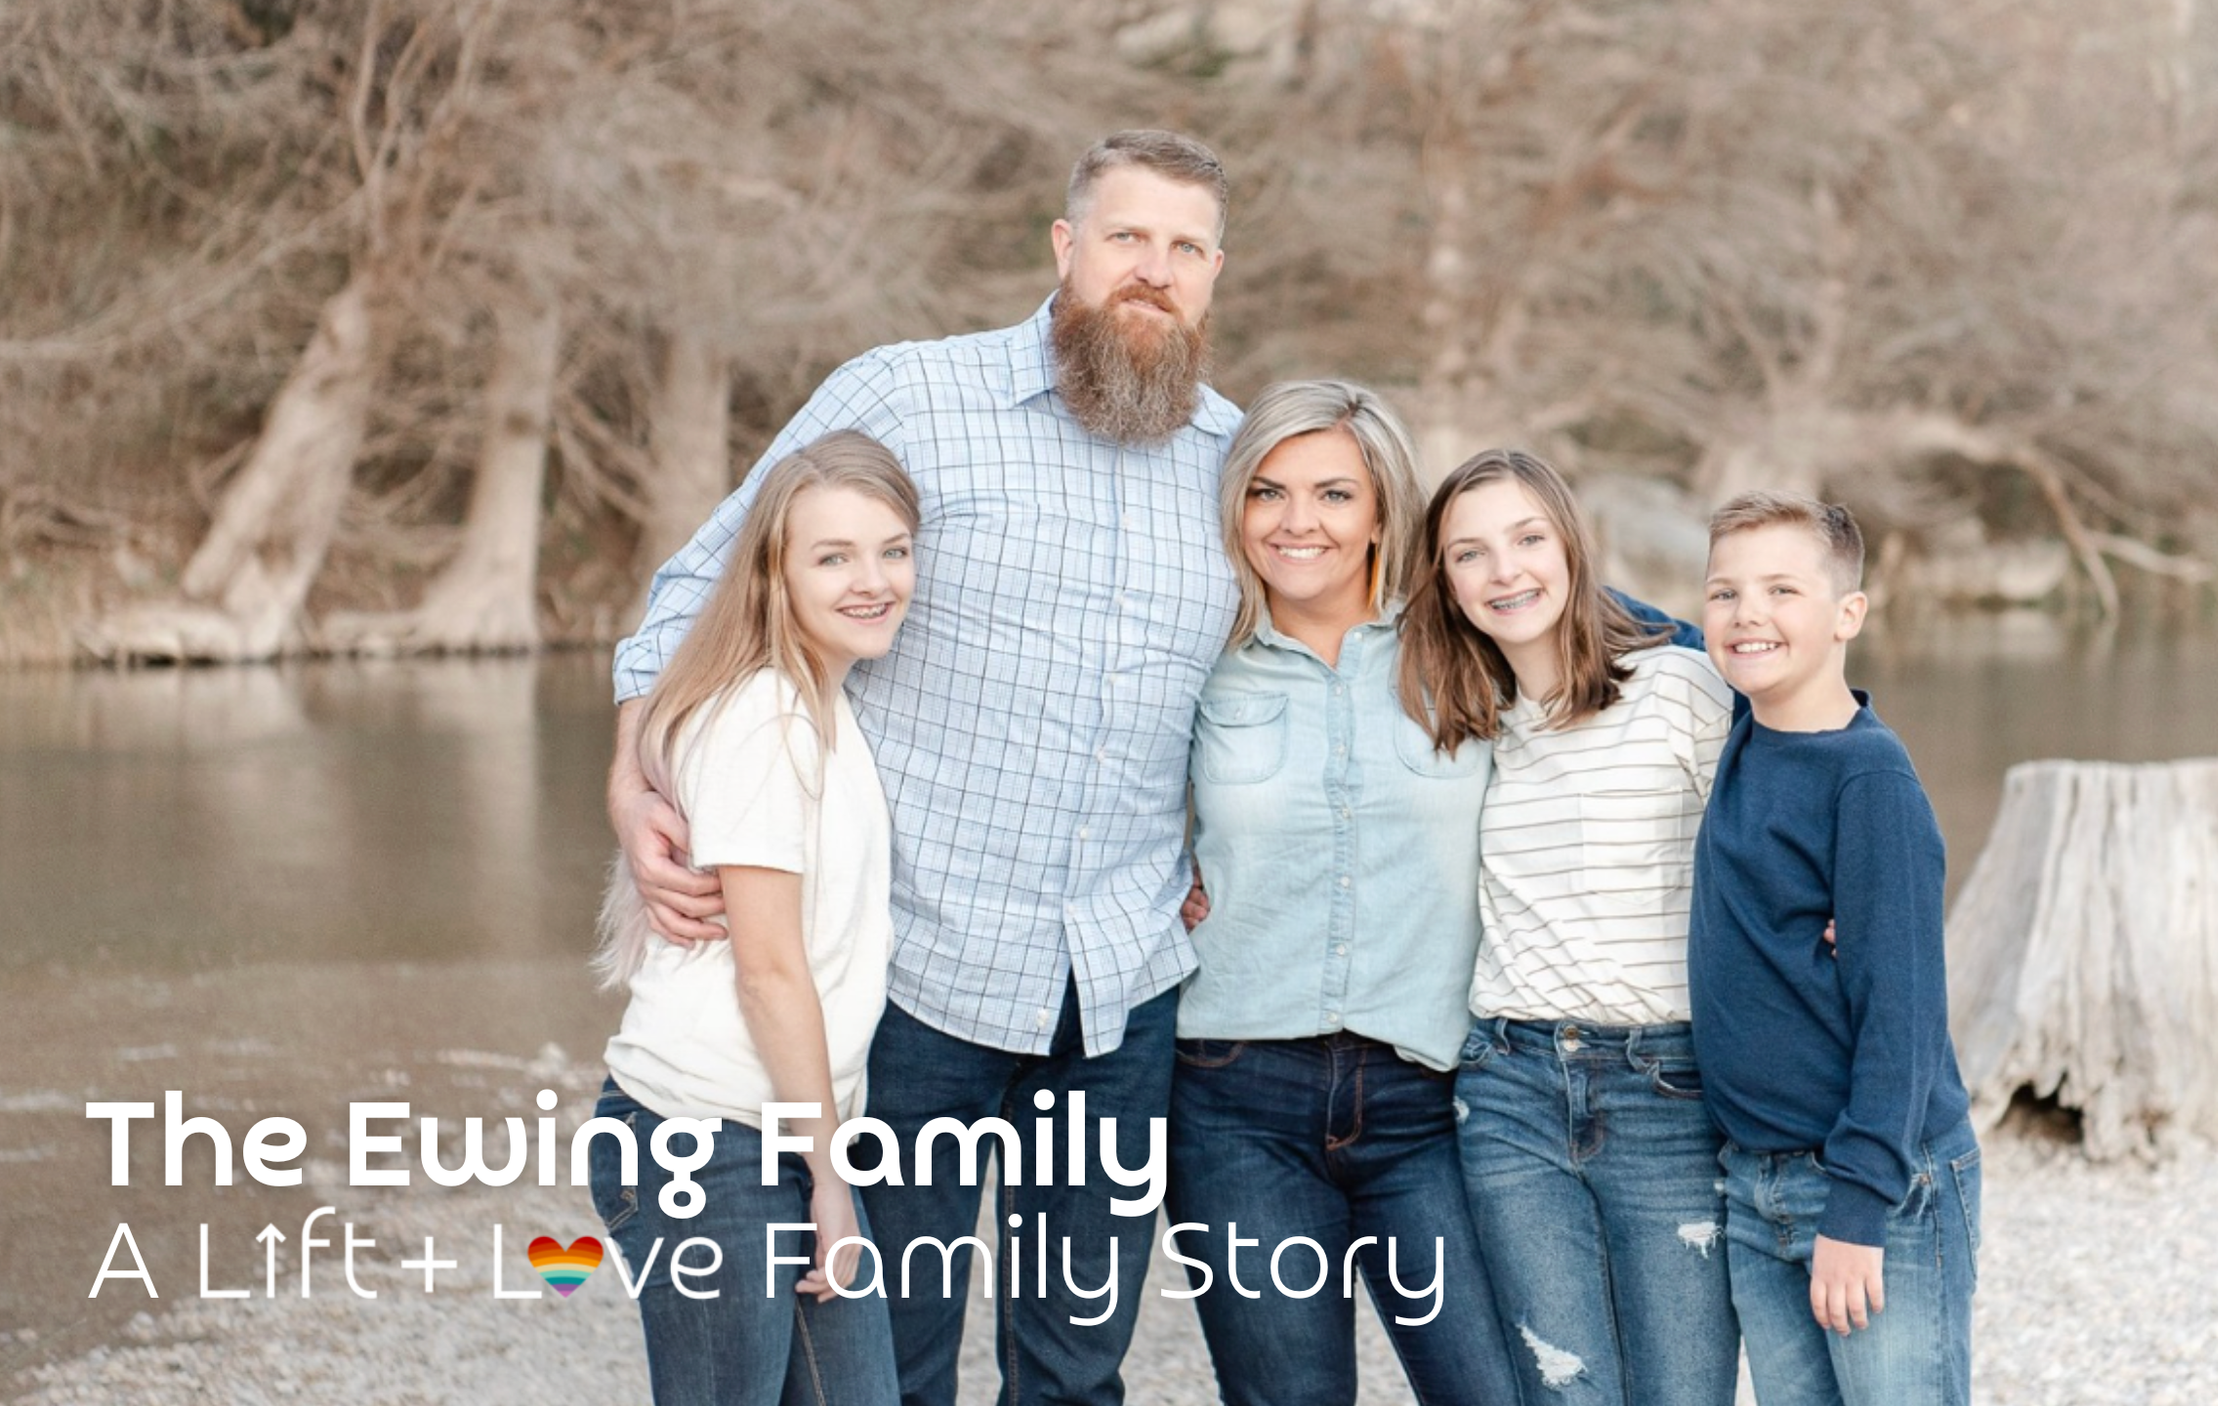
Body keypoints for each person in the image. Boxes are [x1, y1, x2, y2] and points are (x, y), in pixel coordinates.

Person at [606, 130, 1240, 1406]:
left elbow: (1283, 671)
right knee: (884, 1357)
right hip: (918, 975)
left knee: (1077, 1365)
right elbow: (700, 583)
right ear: (1065, 247)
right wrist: (631, 774)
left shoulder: (1233, 461)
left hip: (1121, 984)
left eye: (1186, 248)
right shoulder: (906, 395)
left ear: (1215, 274)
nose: (1153, 272)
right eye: (1127, 238)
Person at [1168, 380, 1518, 1406]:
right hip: (1234, 1100)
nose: (1296, 522)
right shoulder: (1199, 660)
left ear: (1380, 512)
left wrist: (1806, 860)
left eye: (1332, 493)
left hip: (1434, 1096)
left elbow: (1647, 666)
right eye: (1267, 492)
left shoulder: (1462, 640)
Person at [1400, 449, 1741, 1406]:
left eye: (1526, 539)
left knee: (1683, 1391)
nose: (1504, 571)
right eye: (1470, 554)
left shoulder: (1678, 687)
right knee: (1563, 1391)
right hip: (1508, 1091)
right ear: (1447, 582)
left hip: (1664, 1086)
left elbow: (1781, 838)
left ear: (1570, 545)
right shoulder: (1465, 721)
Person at [587, 430, 917, 1406]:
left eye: (892, 549)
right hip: (705, 1137)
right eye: (834, 556)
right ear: (773, 571)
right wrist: (828, 1176)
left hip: (775, 1130)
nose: (873, 580)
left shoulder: (820, 700)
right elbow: (768, 969)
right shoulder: (765, 717)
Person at [1689, 491, 1979, 1406]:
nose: (1749, 616)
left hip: (1871, 1182)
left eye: (1783, 591)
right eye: (1724, 594)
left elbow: (1905, 1018)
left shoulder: (1869, 779)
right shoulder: (1746, 730)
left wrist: (1858, 1209)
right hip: (1753, 1178)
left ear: (1848, 613)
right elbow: (1645, 626)